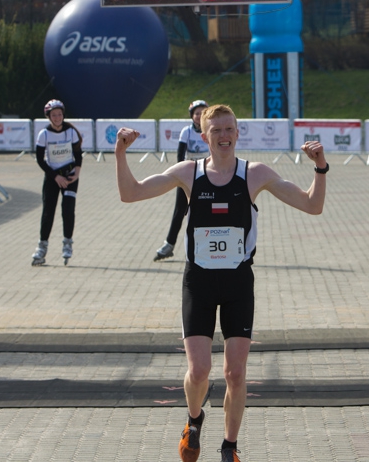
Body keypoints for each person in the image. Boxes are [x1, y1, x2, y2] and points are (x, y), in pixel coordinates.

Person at [115, 105, 328, 462]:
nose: (224, 135)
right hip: (198, 282)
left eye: (229, 128)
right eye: (216, 131)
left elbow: (312, 205)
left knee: (235, 372)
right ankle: (194, 419)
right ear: (204, 137)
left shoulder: (255, 174)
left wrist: (320, 168)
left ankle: (229, 447)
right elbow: (130, 193)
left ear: (237, 133)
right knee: (199, 370)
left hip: (237, 284)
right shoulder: (188, 173)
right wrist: (121, 154)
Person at [154, 99, 210, 261]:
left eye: (202, 113)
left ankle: (206, 245)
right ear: (192, 116)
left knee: (205, 212)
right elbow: (180, 154)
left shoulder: (211, 130)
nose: (199, 117)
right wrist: (180, 173)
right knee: (180, 211)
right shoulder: (187, 131)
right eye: (196, 114)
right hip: (188, 175)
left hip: (207, 174)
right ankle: (169, 245)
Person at [31, 99, 83, 266]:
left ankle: (67, 243)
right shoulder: (44, 135)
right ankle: (42, 247)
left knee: (68, 209)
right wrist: (55, 177)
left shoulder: (70, 132)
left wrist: (76, 173)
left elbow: (78, 155)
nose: (57, 118)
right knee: (48, 212)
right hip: (53, 177)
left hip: (69, 176)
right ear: (49, 117)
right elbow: (40, 160)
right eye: (54, 115)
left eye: (60, 114)